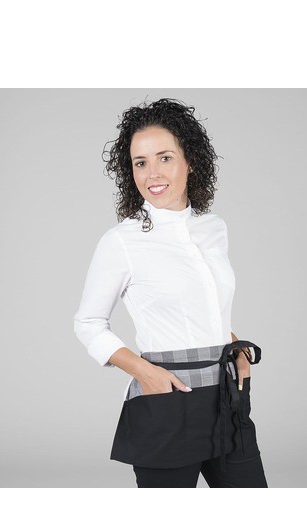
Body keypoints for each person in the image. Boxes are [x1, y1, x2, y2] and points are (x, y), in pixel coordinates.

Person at [73, 97, 268, 488]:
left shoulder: (213, 228)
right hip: (168, 399)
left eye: (165, 158)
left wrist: (235, 347)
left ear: (189, 160)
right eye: (140, 163)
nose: (152, 174)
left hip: (227, 399)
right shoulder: (121, 241)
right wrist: (146, 374)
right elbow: (88, 323)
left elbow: (207, 307)